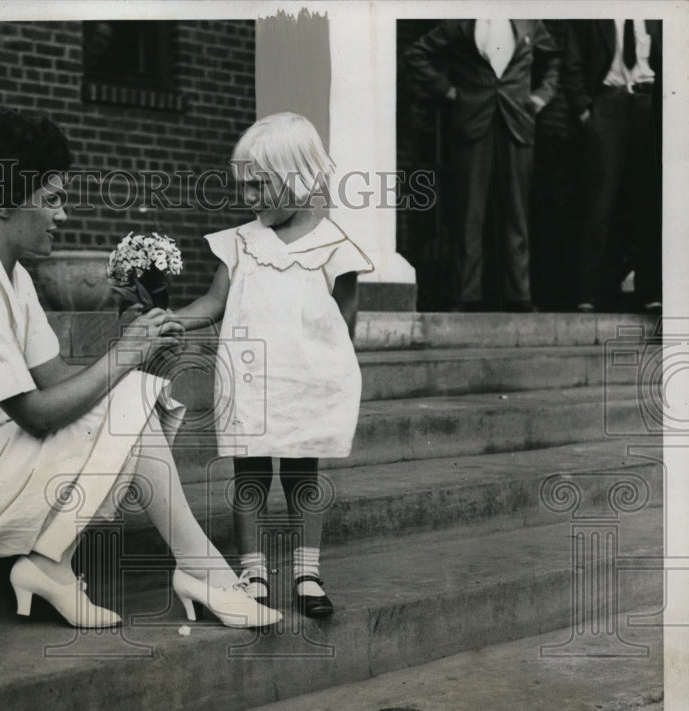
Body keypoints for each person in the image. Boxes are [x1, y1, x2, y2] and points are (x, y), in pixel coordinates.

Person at [0, 109, 281, 630]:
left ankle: (60, 566)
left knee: (128, 399)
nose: (62, 215)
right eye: (50, 200)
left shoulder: (7, 272)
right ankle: (196, 576)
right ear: (4, 203)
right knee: (126, 401)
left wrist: (134, 356)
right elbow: (39, 415)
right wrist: (124, 357)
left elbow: (54, 382)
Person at [173, 112, 373, 618]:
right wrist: (170, 320)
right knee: (250, 474)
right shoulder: (239, 242)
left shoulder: (334, 245)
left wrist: (324, 375)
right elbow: (213, 303)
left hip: (306, 379)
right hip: (249, 379)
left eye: (261, 186)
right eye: (245, 187)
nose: (250, 198)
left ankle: (307, 572)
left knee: (303, 473)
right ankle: (254, 569)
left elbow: (343, 324)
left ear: (299, 179)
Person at [405, 19, 560, 312]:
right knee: (469, 212)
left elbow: (553, 57)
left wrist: (543, 94)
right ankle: (465, 294)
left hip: (517, 120)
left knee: (517, 212)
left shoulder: (529, 21)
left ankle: (520, 296)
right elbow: (417, 53)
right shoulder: (461, 20)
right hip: (472, 120)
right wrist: (446, 89)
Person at [562, 19, 662, 313]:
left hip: (650, 103)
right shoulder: (592, 15)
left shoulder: (659, 15)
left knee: (649, 202)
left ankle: (651, 291)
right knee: (599, 202)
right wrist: (584, 112)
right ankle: (588, 294)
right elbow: (572, 64)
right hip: (608, 105)